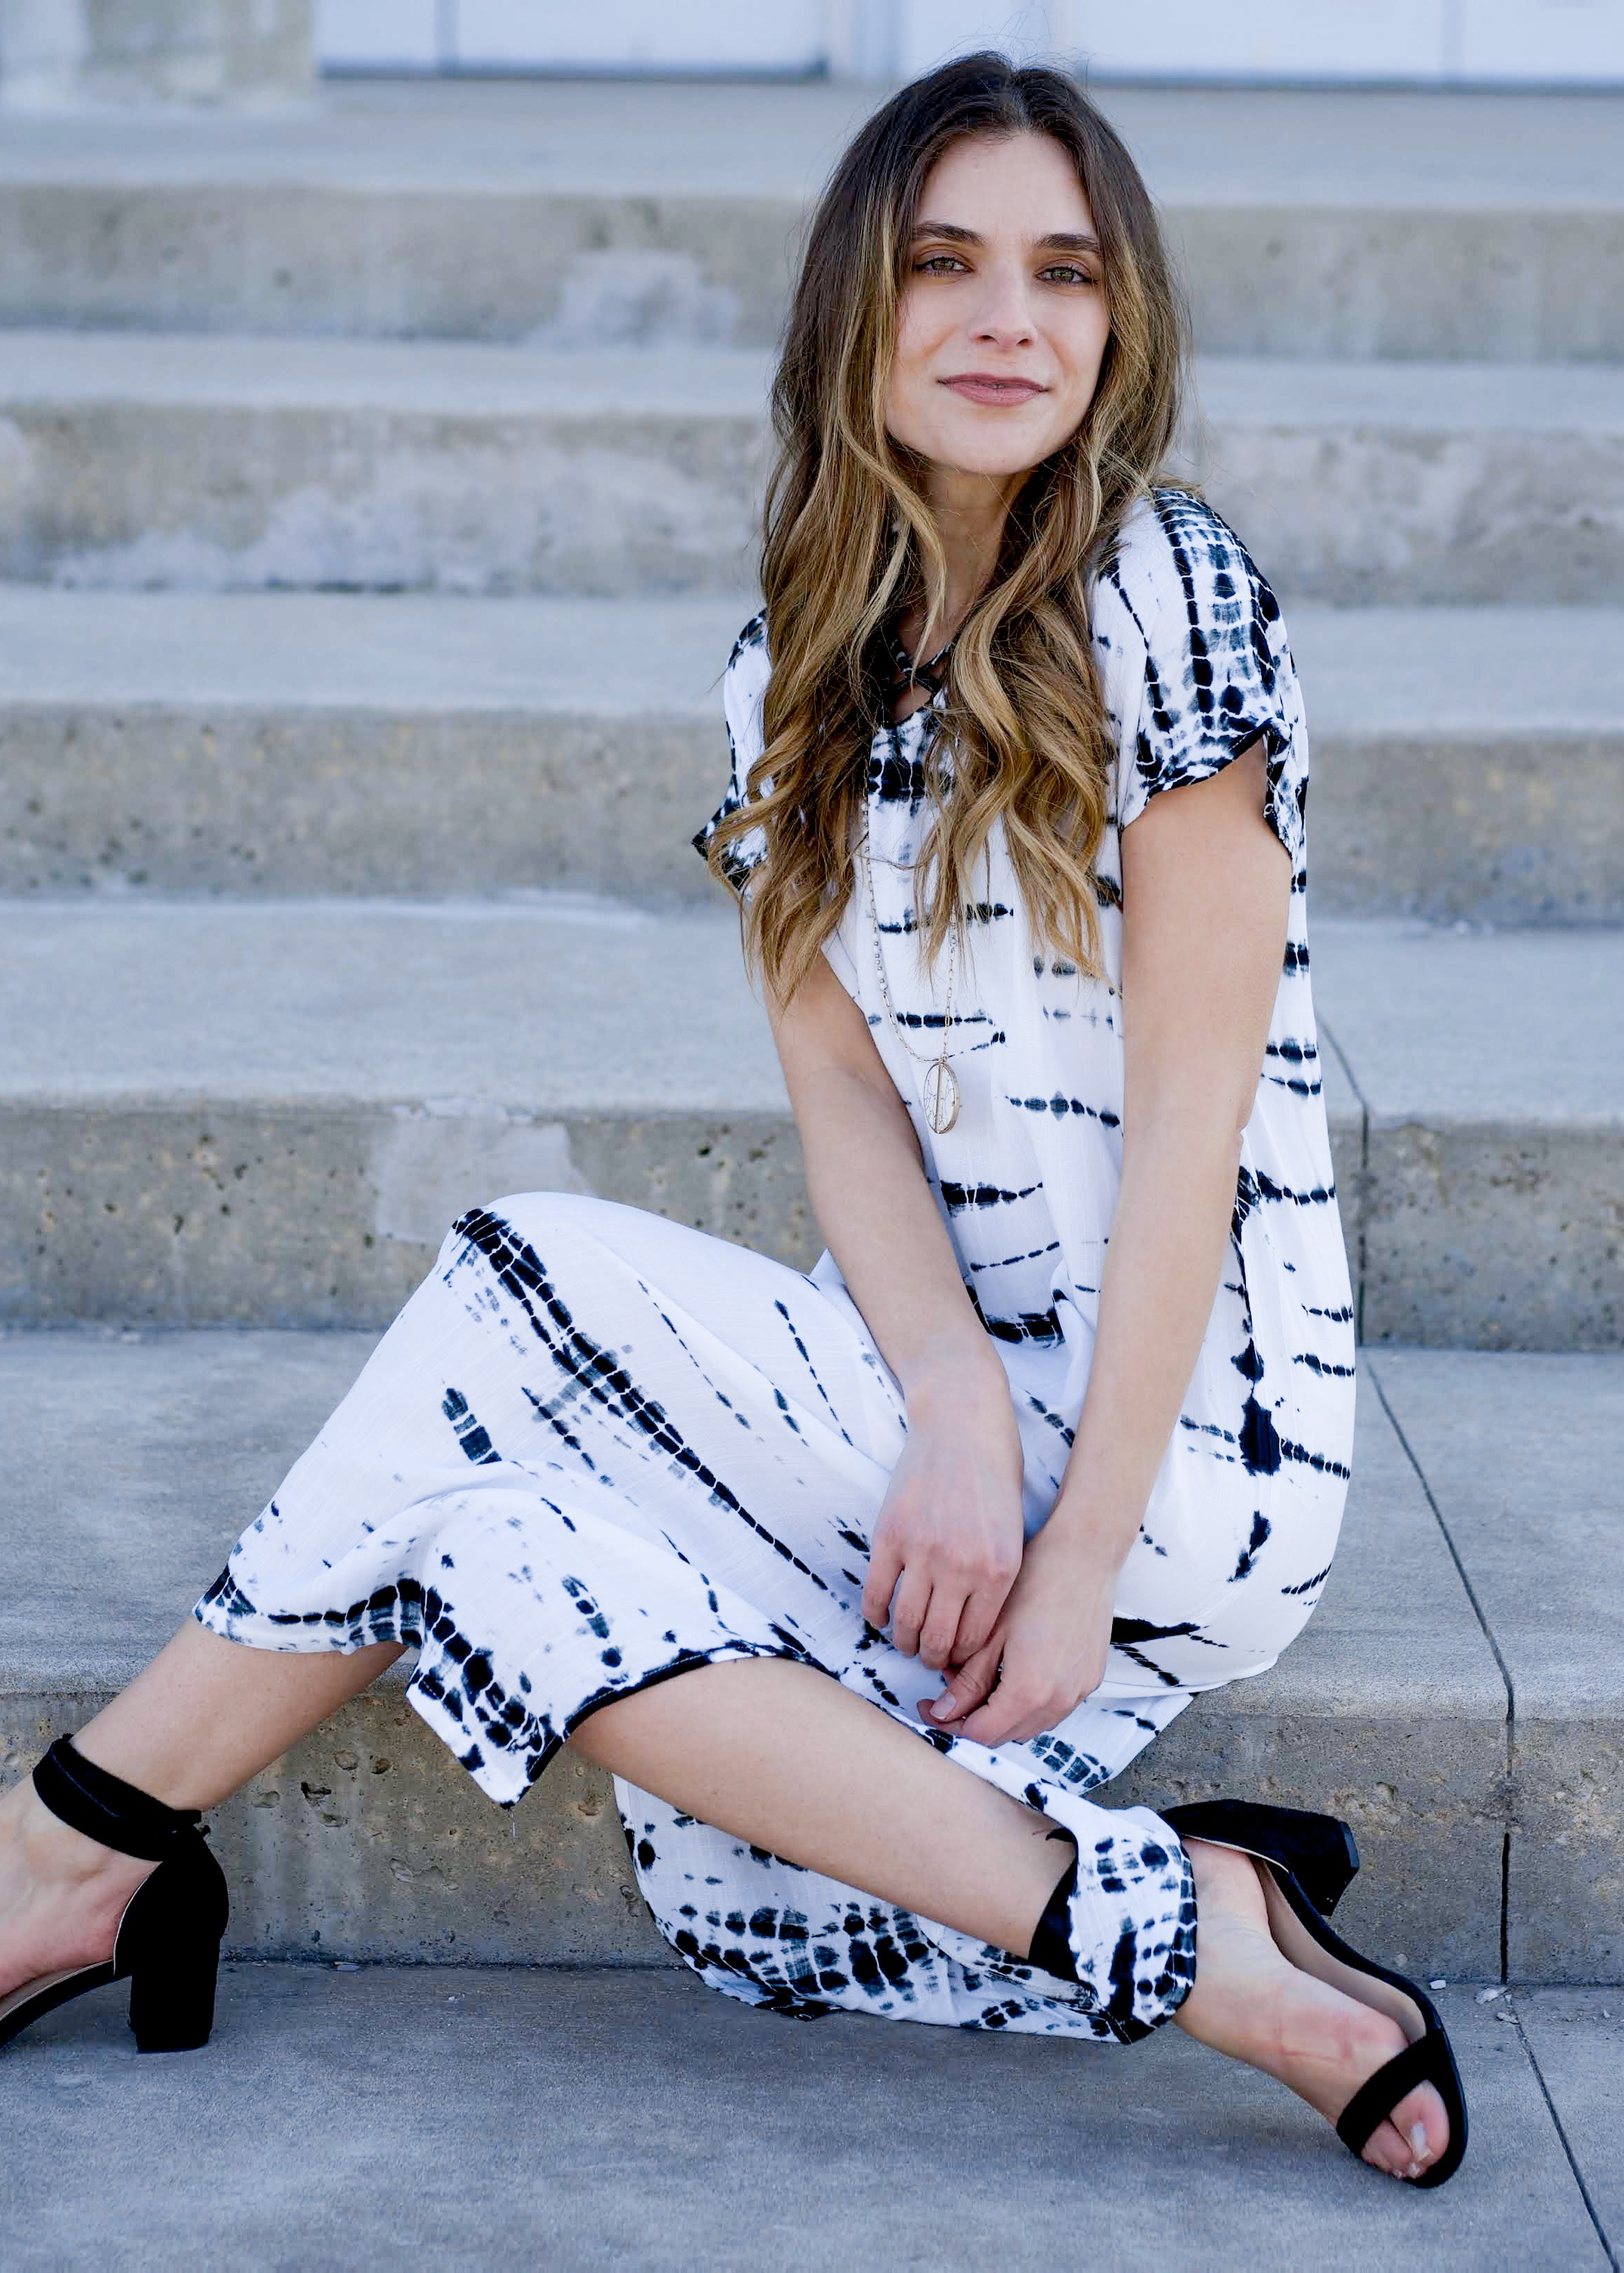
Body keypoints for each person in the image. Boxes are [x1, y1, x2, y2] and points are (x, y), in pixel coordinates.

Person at [0, 54, 1463, 2186]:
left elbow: (1197, 1133)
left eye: (1064, 273)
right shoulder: (790, 652)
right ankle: (1198, 1925)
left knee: (521, 1279)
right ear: (851, 311)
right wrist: (953, 1411)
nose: (1006, 318)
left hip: (1191, 1445)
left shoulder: (1166, 590)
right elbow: (843, 1096)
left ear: (1119, 326)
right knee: (589, 1704)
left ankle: (69, 1855)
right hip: (940, 1402)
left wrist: (1064, 1548)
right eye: (944, 262)